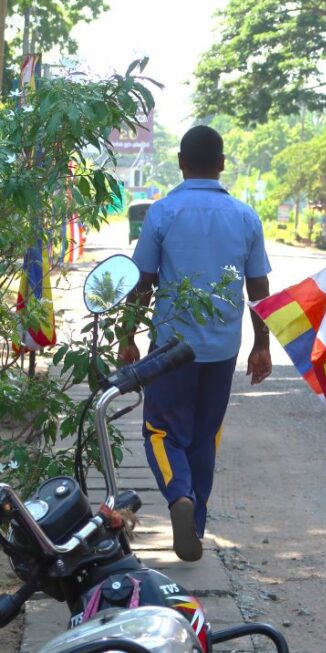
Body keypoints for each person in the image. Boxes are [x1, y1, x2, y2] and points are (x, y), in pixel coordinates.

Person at [119, 125, 273, 562]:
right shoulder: (245, 217)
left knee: (161, 431)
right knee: (205, 437)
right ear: (221, 164)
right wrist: (261, 346)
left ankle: (179, 497)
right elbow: (258, 290)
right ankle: (196, 526)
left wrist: (126, 335)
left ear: (182, 164)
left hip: (171, 349)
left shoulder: (163, 213)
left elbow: (142, 283)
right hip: (222, 349)